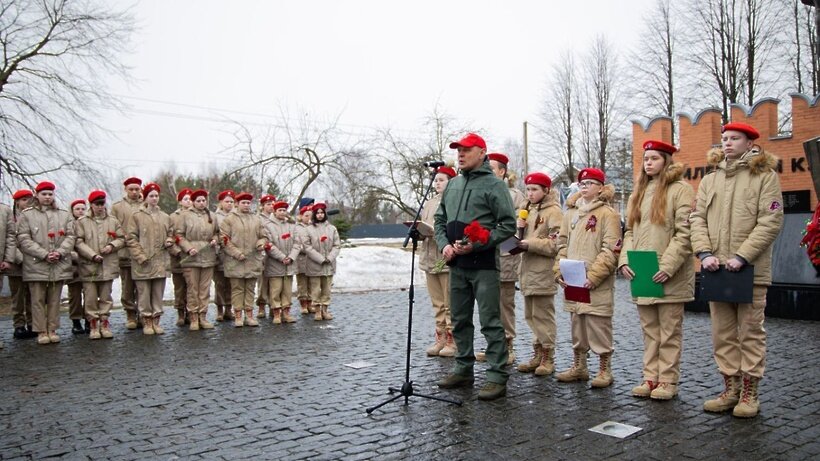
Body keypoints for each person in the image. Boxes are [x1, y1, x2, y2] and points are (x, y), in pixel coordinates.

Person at [690, 122, 784, 418]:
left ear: (750, 143)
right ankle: (729, 388)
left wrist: (743, 256)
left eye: (734, 139)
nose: (727, 144)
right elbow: (696, 218)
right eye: (725, 139)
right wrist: (705, 253)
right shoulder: (710, 179)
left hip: (750, 271)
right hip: (716, 269)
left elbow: (770, 221)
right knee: (723, 333)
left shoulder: (764, 176)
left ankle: (749, 392)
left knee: (750, 332)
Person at [434, 133, 516, 401]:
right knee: (458, 319)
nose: (460, 154)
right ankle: (463, 367)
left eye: (466, 150)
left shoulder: (495, 185)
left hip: (483, 266)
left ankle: (496, 375)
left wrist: (479, 244)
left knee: (490, 322)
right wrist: (444, 244)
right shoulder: (454, 184)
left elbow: (507, 225)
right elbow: (439, 219)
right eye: (458, 150)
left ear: (482, 152)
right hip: (457, 265)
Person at [618, 140, 695, 400]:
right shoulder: (637, 192)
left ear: (666, 161)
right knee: (649, 330)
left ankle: (668, 380)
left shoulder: (681, 190)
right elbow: (629, 231)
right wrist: (625, 261)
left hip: (668, 272)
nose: (648, 163)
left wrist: (668, 266)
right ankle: (650, 377)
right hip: (642, 269)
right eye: (645, 158)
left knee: (669, 331)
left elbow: (685, 233)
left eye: (654, 158)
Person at [554, 168, 622, 388]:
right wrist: (559, 270)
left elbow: (611, 248)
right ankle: (579, 366)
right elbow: (562, 244)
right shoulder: (571, 213)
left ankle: (604, 369)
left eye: (590, 183)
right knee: (577, 324)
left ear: (601, 188)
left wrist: (594, 275)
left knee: (598, 324)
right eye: (582, 184)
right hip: (573, 279)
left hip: (595, 281)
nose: (585, 187)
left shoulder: (608, 214)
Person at [478, 152, 528, 365]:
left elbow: (516, 226)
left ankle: (507, 345)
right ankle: (493, 344)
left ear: (502, 172)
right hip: (486, 255)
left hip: (506, 255)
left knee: (505, 304)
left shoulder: (515, 196)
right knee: (488, 304)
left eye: (492, 168)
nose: (488, 171)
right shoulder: (482, 191)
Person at [515, 172, 563, 377]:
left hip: (543, 272)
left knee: (543, 316)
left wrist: (530, 244)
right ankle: (537, 352)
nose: (530, 193)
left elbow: (556, 243)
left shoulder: (554, 212)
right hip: (527, 271)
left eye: (535, 189)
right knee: (531, 316)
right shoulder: (527, 209)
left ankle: (547, 355)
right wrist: (518, 234)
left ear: (546, 190)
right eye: (528, 189)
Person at [16, 181, 76, 345]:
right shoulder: (27, 215)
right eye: (44, 194)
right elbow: (23, 238)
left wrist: (60, 252)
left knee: (54, 300)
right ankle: (41, 330)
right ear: (37, 195)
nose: (47, 197)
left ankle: (52, 329)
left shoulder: (63, 214)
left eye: (50, 194)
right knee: (37, 300)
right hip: (36, 264)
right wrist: (43, 254)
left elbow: (71, 236)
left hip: (58, 263)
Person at [74, 190, 125, 339]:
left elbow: (122, 238)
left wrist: (112, 245)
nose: (100, 207)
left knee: (106, 296)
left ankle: (104, 322)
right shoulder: (82, 222)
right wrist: (92, 255)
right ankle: (93, 324)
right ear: (91, 205)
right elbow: (78, 242)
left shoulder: (113, 220)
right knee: (90, 297)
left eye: (102, 203)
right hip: (88, 265)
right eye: (97, 204)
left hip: (108, 265)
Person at [420, 165, 458, 357]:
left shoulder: (454, 201)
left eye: (441, 179)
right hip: (429, 257)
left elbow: (453, 229)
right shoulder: (429, 203)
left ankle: (452, 339)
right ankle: (440, 336)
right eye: (436, 180)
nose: (437, 183)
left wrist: (439, 235)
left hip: (445, 258)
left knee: (449, 301)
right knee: (437, 302)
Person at [127, 182, 174, 336]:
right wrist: (140, 256)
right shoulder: (136, 216)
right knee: (144, 293)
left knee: (157, 293)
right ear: (145, 198)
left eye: (156, 196)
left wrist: (169, 240)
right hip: (143, 262)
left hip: (160, 261)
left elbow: (172, 233)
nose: (154, 198)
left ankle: (156, 320)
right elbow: (131, 238)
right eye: (151, 196)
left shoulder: (165, 217)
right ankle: (146, 320)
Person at [220, 192, 268, 327]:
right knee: (237, 289)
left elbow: (264, 235)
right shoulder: (229, 219)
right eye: (243, 203)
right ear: (237, 204)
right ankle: (238, 316)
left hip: (253, 260)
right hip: (235, 261)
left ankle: (249, 315)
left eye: (248, 203)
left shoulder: (256, 219)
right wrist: (236, 253)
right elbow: (224, 239)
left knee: (250, 289)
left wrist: (261, 243)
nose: (246, 205)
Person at [177, 189, 219, 331]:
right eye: (198, 201)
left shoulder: (212, 216)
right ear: (193, 202)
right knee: (193, 288)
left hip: (208, 257)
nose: (201, 203)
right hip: (191, 257)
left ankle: (203, 316)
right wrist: (188, 248)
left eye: (203, 200)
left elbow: (217, 233)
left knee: (205, 289)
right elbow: (179, 235)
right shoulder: (184, 216)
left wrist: (214, 239)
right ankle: (193, 316)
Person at [110, 177, 143, 329]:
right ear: (126, 190)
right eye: (131, 189)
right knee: (128, 285)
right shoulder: (117, 207)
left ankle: (143, 313)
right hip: (125, 252)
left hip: (143, 252)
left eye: (137, 189)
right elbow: (113, 227)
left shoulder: (146, 204)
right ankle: (130, 313)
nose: (134, 192)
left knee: (143, 285)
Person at [264, 200, 301, 324]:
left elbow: (297, 243)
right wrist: (281, 257)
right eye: (279, 210)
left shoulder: (291, 226)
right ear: (274, 211)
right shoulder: (268, 225)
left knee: (287, 290)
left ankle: (286, 312)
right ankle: (276, 313)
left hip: (289, 264)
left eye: (284, 210)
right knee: (275, 290)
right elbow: (268, 244)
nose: (282, 212)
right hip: (275, 264)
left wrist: (291, 257)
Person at [303, 202, 340, 321]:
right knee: (315, 289)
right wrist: (320, 258)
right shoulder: (308, 229)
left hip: (329, 264)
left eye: (321, 213)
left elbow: (337, 245)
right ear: (314, 215)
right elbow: (307, 247)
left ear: (324, 214)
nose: (319, 215)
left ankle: (325, 310)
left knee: (327, 289)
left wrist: (329, 258)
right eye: (317, 213)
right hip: (315, 264)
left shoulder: (332, 229)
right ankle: (317, 310)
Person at [6, 190, 35, 339]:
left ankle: (32, 323)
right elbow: (10, 240)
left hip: (34, 263)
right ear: (17, 202)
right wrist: (20, 258)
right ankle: (19, 325)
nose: (27, 202)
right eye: (24, 200)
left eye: (29, 199)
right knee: (18, 297)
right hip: (16, 264)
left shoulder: (34, 217)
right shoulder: (11, 218)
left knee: (32, 295)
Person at [169, 188, 193, 327]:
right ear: (180, 202)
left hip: (193, 257)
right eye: (185, 199)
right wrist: (176, 251)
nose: (188, 202)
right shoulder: (173, 217)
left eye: (190, 199)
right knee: (179, 288)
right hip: (178, 258)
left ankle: (191, 313)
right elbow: (170, 236)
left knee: (192, 287)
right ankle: (180, 313)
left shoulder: (197, 216)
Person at [213, 189, 236, 321]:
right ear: (221, 203)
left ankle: (229, 308)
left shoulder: (236, 216)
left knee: (231, 284)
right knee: (220, 284)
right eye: (227, 201)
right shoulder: (215, 217)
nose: (229, 204)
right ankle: (219, 309)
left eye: (232, 202)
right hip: (219, 254)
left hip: (233, 255)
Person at [67, 198, 88, 335]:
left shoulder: (88, 224)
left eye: (82, 209)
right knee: (74, 295)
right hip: (73, 265)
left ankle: (88, 319)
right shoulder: (68, 225)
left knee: (89, 294)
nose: (80, 211)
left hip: (88, 264)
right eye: (77, 209)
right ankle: (76, 321)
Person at [255, 194, 276, 319]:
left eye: (273, 203)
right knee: (262, 282)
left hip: (275, 253)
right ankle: (261, 306)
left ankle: (274, 306)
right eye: (268, 204)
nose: (271, 206)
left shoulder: (277, 217)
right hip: (263, 254)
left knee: (274, 283)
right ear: (262, 206)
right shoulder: (258, 218)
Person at [294, 205, 313, 314]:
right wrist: (305, 249)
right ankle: (303, 304)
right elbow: (295, 242)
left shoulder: (313, 226)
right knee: (302, 283)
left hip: (312, 259)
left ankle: (310, 302)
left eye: (310, 216)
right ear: (301, 216)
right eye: (306, 216)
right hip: (301, 258)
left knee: (312, 283)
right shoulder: (296, 228)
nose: (308, 218)